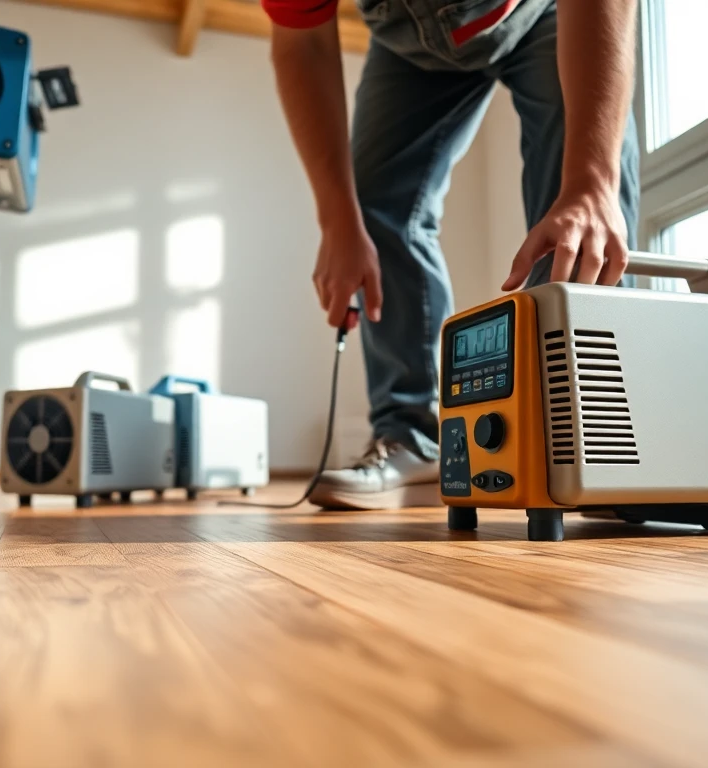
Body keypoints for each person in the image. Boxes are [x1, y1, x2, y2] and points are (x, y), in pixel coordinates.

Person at [261, 0, 641, 510]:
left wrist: (592, 182)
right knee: (370, 210)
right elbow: (302, 39)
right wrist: (338, 223)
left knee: (579, 214)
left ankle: (594, 441)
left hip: (550, 12)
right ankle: (414, 438)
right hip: (410, 49)